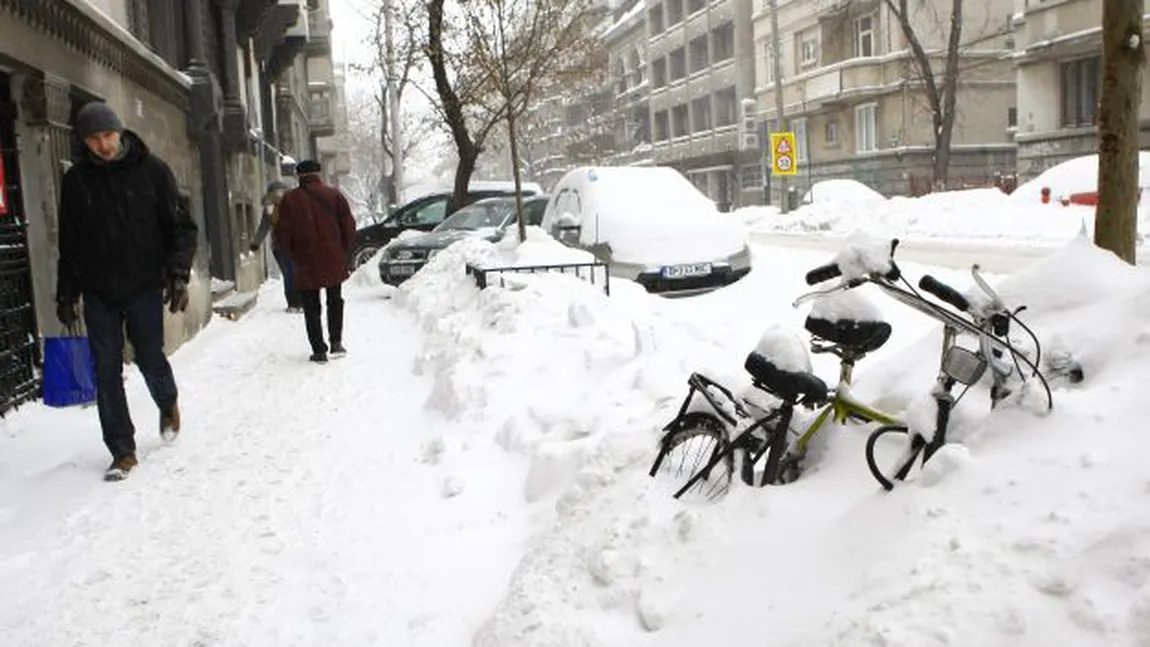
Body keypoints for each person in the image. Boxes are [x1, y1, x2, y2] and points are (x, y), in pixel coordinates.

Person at [55, 101, 198, 481]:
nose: (103, 145)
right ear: (84, 142)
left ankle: (167, 402)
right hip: (98, 288)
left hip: (143, 284)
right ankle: (122, 450)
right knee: (105, 370)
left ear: (119, 132)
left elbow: (182, 230)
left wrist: (178, 274)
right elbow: (70, 243)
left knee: (150, 356)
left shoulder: (152, 173)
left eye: (107, 135)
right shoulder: (76, 182)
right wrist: (66, 292)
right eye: (94, 139)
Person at [274, 159, 356, 363]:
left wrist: (292, 255)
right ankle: (336, 343)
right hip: (332, 257)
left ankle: (319, 349)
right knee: (335, 299)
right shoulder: (334, 195)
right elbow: (349, 226)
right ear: (318, 173)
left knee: (311, 306)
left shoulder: (290, 199)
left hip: (305, 260)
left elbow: (282, 233)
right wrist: (344, 252)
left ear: (298, 176)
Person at [250, 180, 303, 312]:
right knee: (295, 272)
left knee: (289, 273)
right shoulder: (295, 203)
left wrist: (256, 243)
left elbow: (264, 227)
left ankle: (293, 303)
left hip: (279, 245)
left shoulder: (270, 206)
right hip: (295, 244)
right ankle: (299, 302)